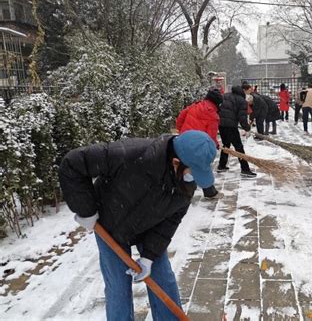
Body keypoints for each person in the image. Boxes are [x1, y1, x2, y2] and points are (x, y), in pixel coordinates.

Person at [58, 130, 216, 321]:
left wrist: (149, 257)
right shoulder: (130, 154)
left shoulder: (185, 187)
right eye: (192, 173)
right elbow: (73, 163)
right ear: (176, 162)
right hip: (110, 225)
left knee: (162, 277)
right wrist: (86, 210)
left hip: (150, 227)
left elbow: (170, 222)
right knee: (118, 286)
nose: (194, 180)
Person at [176, 88, 223, 198]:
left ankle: (181, 190)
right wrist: (215, 145)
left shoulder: (195, 105)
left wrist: (182, 132)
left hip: (183, 140)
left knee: (183, 165)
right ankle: (209, 192)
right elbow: (211, 137)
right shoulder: (213, 115)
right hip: (198, 145)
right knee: (202, 166)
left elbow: (180, 118)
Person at [217, 83, 256, 177]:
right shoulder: (241, 100)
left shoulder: (225, 95)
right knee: (238, 147)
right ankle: (245, 169)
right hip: (230, 126)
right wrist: (247, 127)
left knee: (226, 144)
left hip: (221, 124)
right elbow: (242, 118)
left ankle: (221, 165)